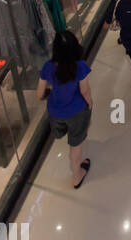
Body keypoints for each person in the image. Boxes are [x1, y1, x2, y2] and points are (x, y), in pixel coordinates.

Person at [37, 30, 93, 188]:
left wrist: (51, 93)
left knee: (65, 133)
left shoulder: (48, 67)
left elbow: (39, 94)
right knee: (75, 144)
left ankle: (76, 165)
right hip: (76, 111)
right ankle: (77, 175)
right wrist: (90, 103)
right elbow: (85, 91)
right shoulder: (80, 67)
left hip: (55, 112)